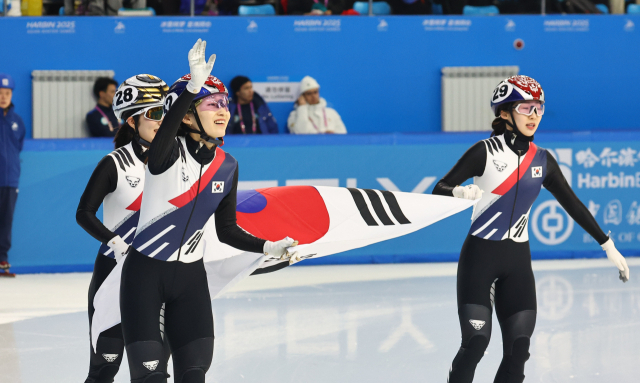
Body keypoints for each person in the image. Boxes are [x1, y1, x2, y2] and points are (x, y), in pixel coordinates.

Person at [119, 39, 298, 383]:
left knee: (195, 375)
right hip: (145, 278)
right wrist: (192, 89)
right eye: (212, 104)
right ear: (186, 116)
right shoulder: (166, 153)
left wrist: (267, 247)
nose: (223, 111)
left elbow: (226, 229)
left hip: (190, 281)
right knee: (150, 378)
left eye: (224, 104)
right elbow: (158, 149)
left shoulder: (227, 165)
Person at [432, 75, 630, 383]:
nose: (534, 116)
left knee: (519, 350)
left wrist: (607, 244)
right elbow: (439, 188)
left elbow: (574, 204)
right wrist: (457, 191)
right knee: (475, 344)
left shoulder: (543, 160)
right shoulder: (484, 152)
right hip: (480, 258)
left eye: (539, 108)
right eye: (526, 108)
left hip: (517, 263)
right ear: (504, 113)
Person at [76, 74, 171, 383]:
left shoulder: (177, 164)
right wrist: (115, 241)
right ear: (132, 121)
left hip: (156, 278)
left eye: (166, 112)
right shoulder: (114, 163)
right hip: (114, 275)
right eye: (155, 114)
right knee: (104, 370)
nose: (163, 121)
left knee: (152, 374)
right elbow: (84, 213)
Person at [0, 73, 25, 278]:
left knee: (6, 221)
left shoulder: (17, 121)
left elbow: (18, 146)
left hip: (10, 180)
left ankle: (2, 258)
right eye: (0, 92)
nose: (3, 96)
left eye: (7, 93)